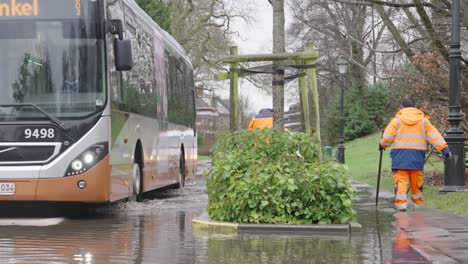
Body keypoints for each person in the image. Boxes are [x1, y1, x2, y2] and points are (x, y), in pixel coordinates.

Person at [379, 98, 451, 211]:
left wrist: (382, 145)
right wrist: (444, 149)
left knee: (401, 181)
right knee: (416, 181)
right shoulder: (423, 121)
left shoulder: (396, 120)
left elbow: (388, 137)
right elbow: (434, 136)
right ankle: (417, 204)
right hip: (417, 156)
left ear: (402, 108)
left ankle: (401, 204)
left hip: (400, 156)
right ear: (414, 107)